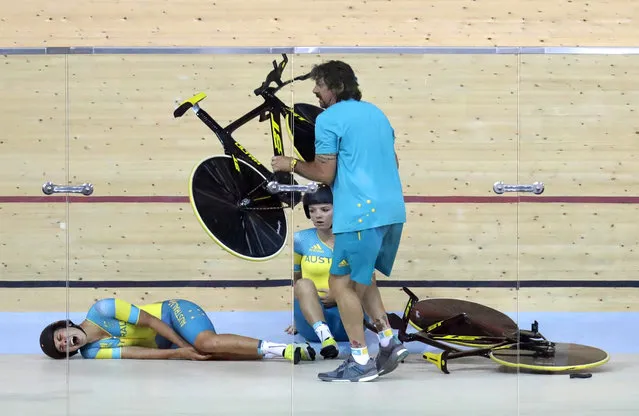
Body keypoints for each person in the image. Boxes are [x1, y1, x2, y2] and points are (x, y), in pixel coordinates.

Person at [272, 60, 408, 382]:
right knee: (363, 279)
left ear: (335, 86)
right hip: (392, 212)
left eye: (319, 85)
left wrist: (289, 163)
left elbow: (324, 173)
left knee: (340, 284)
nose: (316, 91)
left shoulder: (328, 119)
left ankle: (360, 360)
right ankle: (389, 342)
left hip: (359, 215)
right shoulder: (376, 113)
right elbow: (394, 161)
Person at [39, 297, 316, 363]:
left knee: (206, 343)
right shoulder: (91, 353)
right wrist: (179, 353)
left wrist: (183, 344)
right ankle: (281, 354)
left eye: (59, 337)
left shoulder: (102, 309)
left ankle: (284, 348)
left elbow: (151, 322)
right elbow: (136, 353)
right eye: (61, 347)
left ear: (65, 326)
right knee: (211, 356)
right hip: (168, 344)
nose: (64, 342)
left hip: (172, 314)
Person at [286, 183, 350, 359]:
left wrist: (338, 294)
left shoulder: (353, 239)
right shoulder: (300, 239)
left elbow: (365, 280)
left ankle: (328, 336)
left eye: (324, 209)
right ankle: (326, 339)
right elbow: (297, 280)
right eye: (312, 210)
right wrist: (297, 316)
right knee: (303, 283)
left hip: (346, 317)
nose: (317, 216)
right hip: (312, 323)